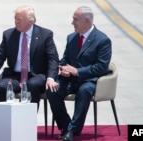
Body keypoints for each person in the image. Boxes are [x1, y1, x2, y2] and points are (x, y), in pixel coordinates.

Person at [0, 5, 59, 108]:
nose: (16, 22)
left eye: (19, 19)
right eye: (15, 19)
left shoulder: (45, 35)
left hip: (36, 75)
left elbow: (53, 59)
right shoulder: (9, 35)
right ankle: (6, 120)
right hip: (15, 76)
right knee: (2, 86)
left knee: (32, 85)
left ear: (30, 21)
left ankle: (27, 120)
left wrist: (51, 78)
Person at [47, 6, 112, 141]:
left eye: (75, 20)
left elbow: (101, 67)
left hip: (89, 80)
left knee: (84, 91)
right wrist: (64, 69)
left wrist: (77, 71)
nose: (72, 23)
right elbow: (65, 59)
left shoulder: (103, 40)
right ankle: (66, 127)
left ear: (87, 21)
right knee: (52, 90)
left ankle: (72, 131)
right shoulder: (71, 38)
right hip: (70, 80)